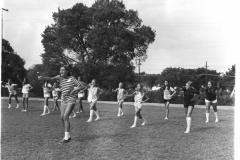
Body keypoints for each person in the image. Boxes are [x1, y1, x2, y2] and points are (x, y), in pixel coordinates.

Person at [38, 65, 88, 143]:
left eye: (63, 70)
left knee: (65, 116)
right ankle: (67, 135)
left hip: (71, 99)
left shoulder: (72, 79)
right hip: (63, 100)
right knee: (62, 118)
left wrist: (74, 89)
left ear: (67, 71)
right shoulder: (59, 77)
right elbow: (51, 78)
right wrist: (43, 78)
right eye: (60, 70)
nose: (61, 71)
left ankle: (66, 138)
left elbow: (82, 86)